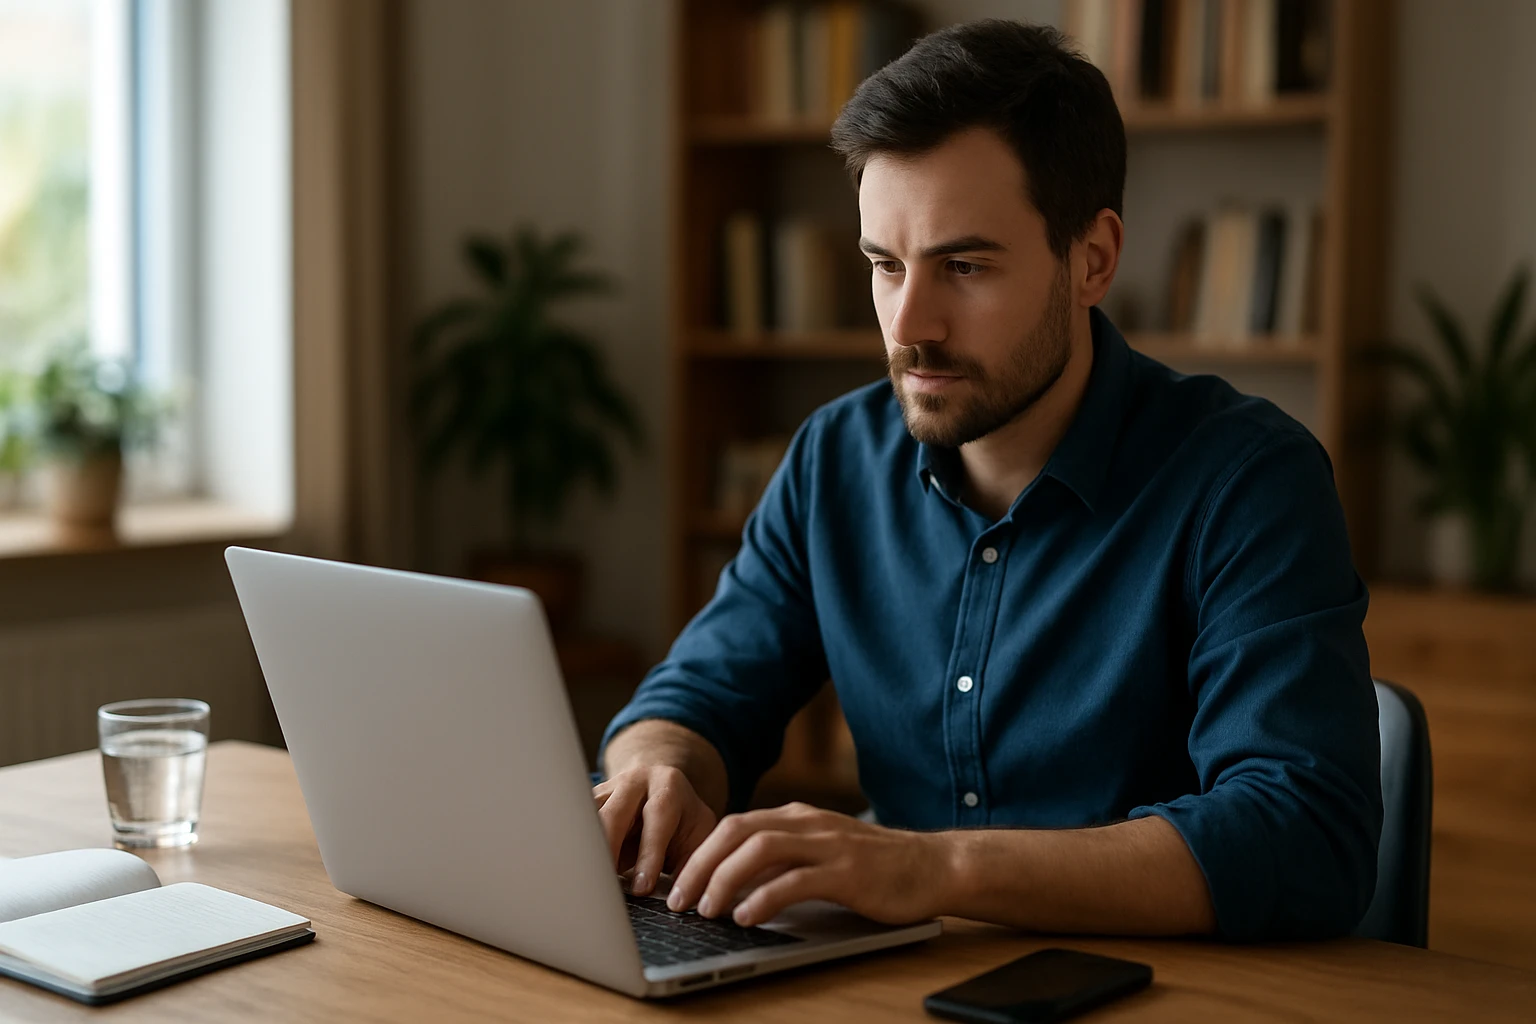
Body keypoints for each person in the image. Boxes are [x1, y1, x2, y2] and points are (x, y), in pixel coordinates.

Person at [595, 19, 1381, 941]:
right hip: (903, 989)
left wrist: (934, 869)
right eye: (885, 266)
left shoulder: (1248, 480)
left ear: (1092, 259)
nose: (909, 324)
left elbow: (1304, 837)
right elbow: (697, 697)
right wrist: (659, 768)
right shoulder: (834, 460)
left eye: (963, 266)